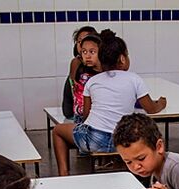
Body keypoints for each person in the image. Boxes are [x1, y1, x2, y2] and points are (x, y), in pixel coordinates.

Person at [52, 29, 167, 176]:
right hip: (123, 142)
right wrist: (161, 103)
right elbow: (151, 109)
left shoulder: (92, 81)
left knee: (58, 131)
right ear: (122, 59)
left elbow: (86, 116)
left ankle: (64, 174)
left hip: (93, 140)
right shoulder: (134, 79)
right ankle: (121, 167)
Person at [62, 25, 97, 120]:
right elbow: (74, 91)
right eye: (79, 41)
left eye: (86, 39)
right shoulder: (76, 63)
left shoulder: (100, 65)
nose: (82, 44)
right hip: (76, 111)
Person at [70, 33, 102, 122]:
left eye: (92, 52)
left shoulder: (105, 74)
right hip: (82, 118)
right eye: (84, 51)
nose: (87, 56)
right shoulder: (82, 75)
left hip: (99, 117)